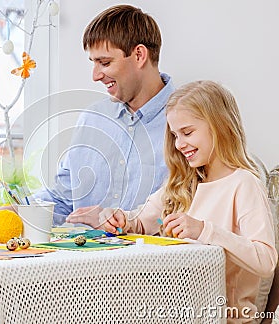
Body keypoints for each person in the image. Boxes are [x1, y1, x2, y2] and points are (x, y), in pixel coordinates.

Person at [68, 80, 277, 321]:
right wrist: (119, 219)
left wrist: (203, 230)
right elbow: (141, 222)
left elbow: (266, 261)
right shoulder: (181, 183)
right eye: (175, 135)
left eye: (187, 132)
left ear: (220, 126)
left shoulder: (244, 184)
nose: (179, 144)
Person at [36, 4, 175, 225]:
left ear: (139, 55)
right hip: (80, 258)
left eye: (105, 62)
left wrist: (115, 220)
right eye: (94, 63)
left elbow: (192, 209)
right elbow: (61, 201)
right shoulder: (92, 118)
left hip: (151, 258)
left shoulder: (188, 123)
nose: (96, 75)